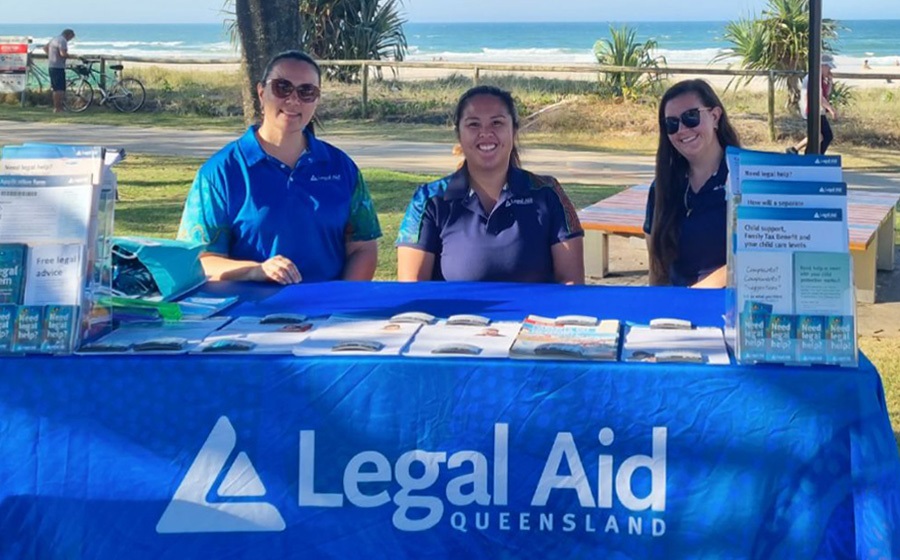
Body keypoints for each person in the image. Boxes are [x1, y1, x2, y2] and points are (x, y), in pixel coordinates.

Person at [177, 50, 381, 284]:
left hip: (328, 306)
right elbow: (197, 262)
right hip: (249, 306)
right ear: (261, 92)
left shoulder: (341, 167)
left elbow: (363, 248)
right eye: (282, 87)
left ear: (317, 100)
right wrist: (255, 270)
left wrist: (342, 298)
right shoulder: (221, 173)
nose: (293, 100)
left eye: (306, 91)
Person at [395, 85, 584, 284]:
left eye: (497, 123)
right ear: (459, 133)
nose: (485, 133)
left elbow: (571, 284)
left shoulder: (548, 193)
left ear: (514, 131)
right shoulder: (428, 200)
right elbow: (412, 289)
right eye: (473, 124)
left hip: (535, 307)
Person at [643, 79, 741, 288]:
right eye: (671, 123)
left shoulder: (746, 180)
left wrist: (697, 293)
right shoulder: (662, 188)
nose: (682, 129)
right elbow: (658, 271)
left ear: (715, 116)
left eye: (691, 117)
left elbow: (757, 257)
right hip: (678, 305)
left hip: (731, 303)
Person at [787, 53, 837, 155]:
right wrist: (831, 109)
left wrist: (830, 82)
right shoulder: (813, 77)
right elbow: (819, 96)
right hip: (811, 109)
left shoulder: (821, 78)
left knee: (819, 135)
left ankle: (796, 150)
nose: (829, 70)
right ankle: (814, 155)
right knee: (824, 136)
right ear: (822, 66)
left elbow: (826, 94)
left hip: (818, 110)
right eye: (828, 67)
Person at [43, 29, 75, 113]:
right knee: (59, 89)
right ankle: (58, 108)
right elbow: (62, 53)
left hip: (52, 65)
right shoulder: (63, 40)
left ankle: (58, 107)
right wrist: (72, 57)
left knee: (56, 88)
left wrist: (51, 56)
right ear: (68, 35)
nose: (70, 40)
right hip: (58, 67)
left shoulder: (55, 39)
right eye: (71, 38)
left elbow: (45, 48)